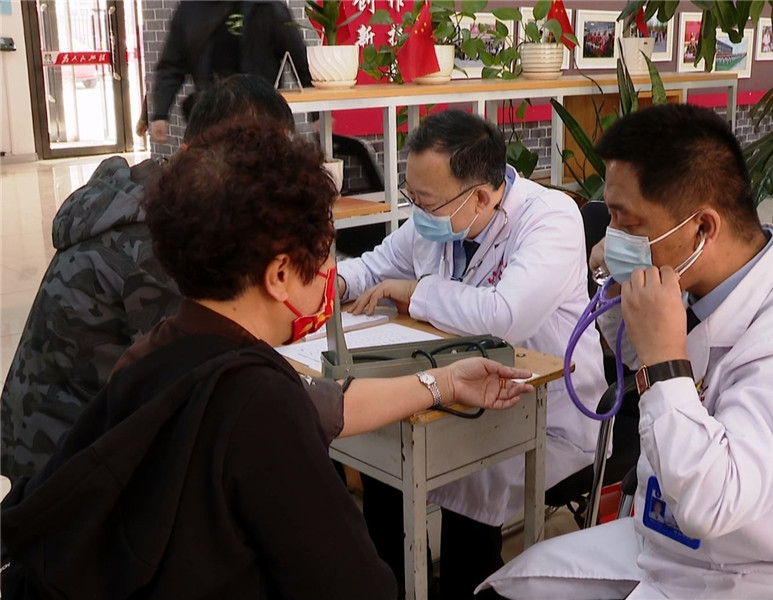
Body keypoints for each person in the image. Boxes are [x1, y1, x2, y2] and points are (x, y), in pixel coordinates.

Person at [1, 116, 535, 599]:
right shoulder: (257, 402)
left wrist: (443, 382)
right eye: (323, 253)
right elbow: (359, 584)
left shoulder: (157, 349)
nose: (330, 273)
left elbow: (325, 406)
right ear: (279, 275)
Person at [479, 103, 773, 599]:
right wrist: (618, 292)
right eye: (611, 215)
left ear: (702, 228)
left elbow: (712, 502)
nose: (612, 236)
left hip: (766, 575)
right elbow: (643, 369)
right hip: (670, 546)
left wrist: (665, 362)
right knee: (507, 591)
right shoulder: (698, 281)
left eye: (627, 222)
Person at [337, 109, 606, 598]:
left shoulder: (549, 217)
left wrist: (417, 291)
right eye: (412, 197)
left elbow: (505, 316)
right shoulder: (441, 215)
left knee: (468, 492)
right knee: (385, 463)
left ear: (480, 196)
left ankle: (466, 585)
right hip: (458, 391)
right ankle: (397, 584)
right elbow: (377, 265)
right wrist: (335, 283)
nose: (418, 212)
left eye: (426, 202)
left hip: (542, 409)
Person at [0, 74, 292, 486]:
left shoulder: (146, 192)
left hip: (43, 428)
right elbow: (195, 377)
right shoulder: (162, 240)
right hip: (65, 459)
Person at [149, 0, 312, 143]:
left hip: (260, 116)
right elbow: (172, 66)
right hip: (211, 118)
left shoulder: (267, 7)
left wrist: (317, 114)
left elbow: (299, 58)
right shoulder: (192, 10)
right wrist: (160, 113)